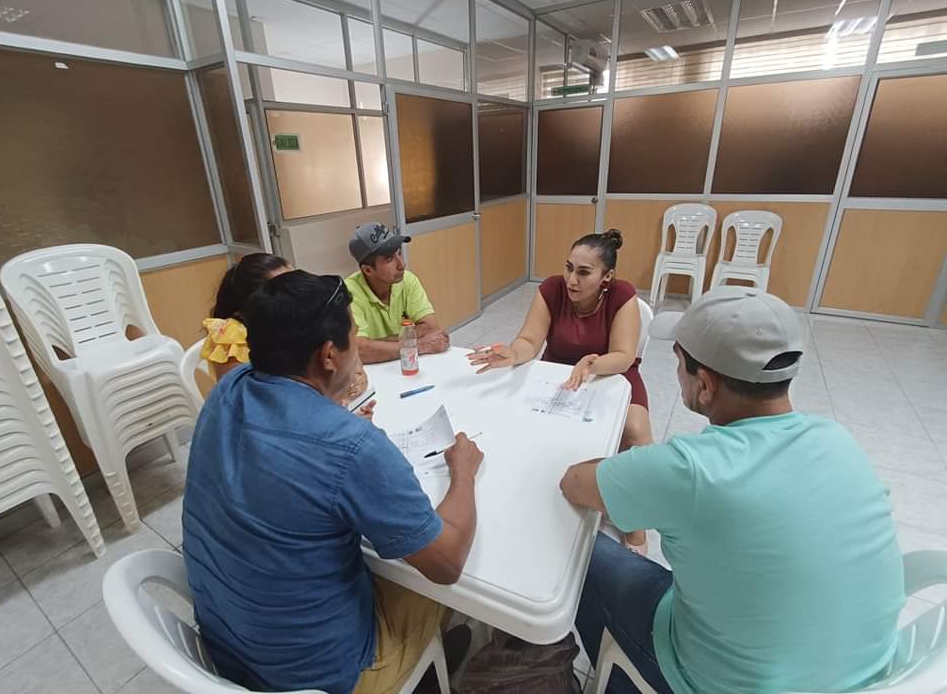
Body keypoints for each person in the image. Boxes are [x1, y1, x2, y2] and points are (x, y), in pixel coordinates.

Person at [561, 286, 904, 694]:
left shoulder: (690, 469)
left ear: (705, 384)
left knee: (580, 551)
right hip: (868, 678)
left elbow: (574, 482)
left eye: (679, 364)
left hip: (720, 683)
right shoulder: (837, 439)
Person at [182, 271, 484, 694]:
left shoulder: (227, 387)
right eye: (355, 336)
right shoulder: (352, 445)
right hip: (321, 676)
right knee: (468, 591)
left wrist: (329, 413)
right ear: (329, 355)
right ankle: (418, 669)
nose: (357, 346)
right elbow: (446, 564)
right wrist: (463, 472)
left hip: (228, 648)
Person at [468, 230, 652, 450]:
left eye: (584, 272)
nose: (571, 280)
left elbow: (623, 356)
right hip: (556, 370)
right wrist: (514, 353)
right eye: (569, 268)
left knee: (635, 434)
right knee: (526, 424)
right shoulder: (552, 289)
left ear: (607, 276)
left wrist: (592, 365)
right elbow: (529, 340)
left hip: (611, 372)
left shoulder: (622, 294)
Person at [201, 252, 369, 412]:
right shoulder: (231, 334)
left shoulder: (292, 324)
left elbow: (340, 350)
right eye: (285, 287)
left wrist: (353, 372)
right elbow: (243, 403)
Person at [345, 222, 450, 364]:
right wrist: (419, 345)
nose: (401, 264)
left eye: (399, 252)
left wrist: (374, 344)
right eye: (389, 259)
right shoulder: (349, 294)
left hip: (406, 364)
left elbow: (430, 328)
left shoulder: (408, 280)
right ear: (368, 270)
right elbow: (358, 350)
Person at [201, 252, 291, 381]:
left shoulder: (283, 318)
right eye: (285, 290)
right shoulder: (231, 334)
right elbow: (234, 389)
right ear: (255, 297)